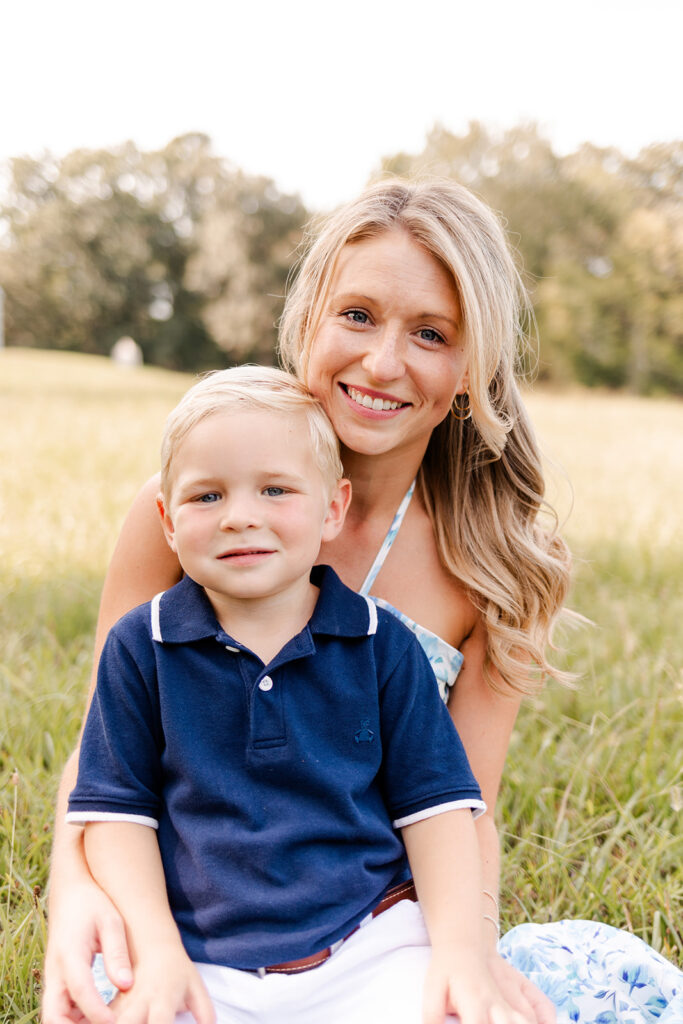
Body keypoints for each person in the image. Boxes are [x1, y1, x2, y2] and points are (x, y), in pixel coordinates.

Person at [43, 178, 683, 1024]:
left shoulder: (498, 561)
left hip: (371, 931)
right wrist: (73, 891)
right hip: (195, 919)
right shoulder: (188, 512)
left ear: (470, 369)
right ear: (307, 320)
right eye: (356, 316)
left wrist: (467, 959)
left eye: (430, 333)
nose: (383, 362)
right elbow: (105, 748)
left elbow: (462, 808)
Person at [66, 364, 529, 1024]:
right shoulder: (141, 646)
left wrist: (459, 954)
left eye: (275, 490)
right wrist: (158, 948)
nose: (239, 518)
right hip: (198, 952)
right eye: (207, 498)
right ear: (166, 520)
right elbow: (115, 814)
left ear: (331, 509)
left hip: (367, 944)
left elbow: (438, 812)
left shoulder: (380, 645)